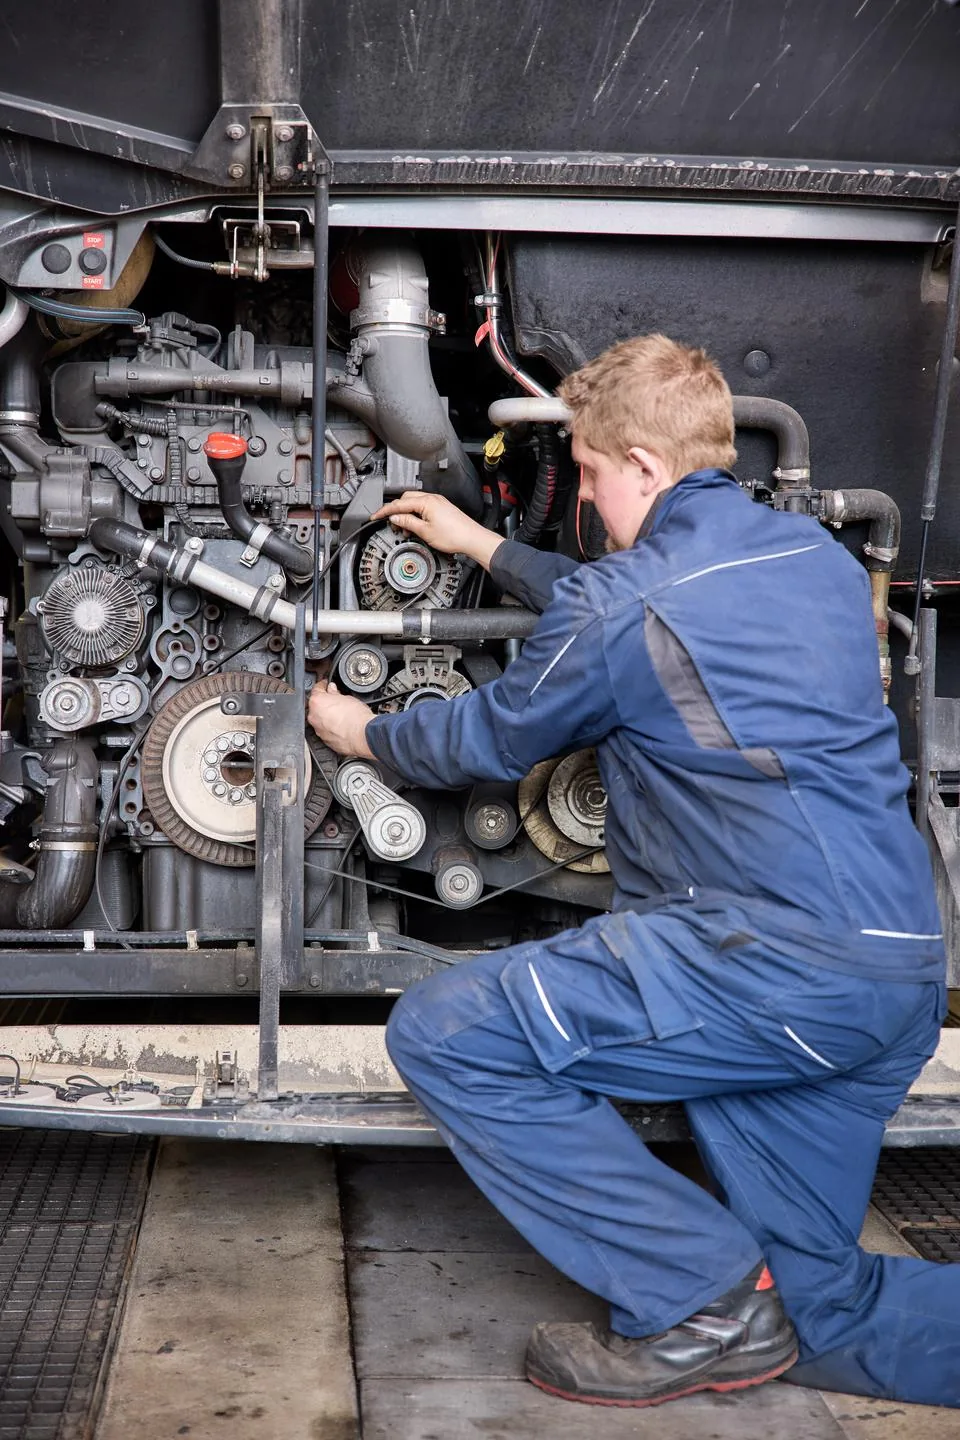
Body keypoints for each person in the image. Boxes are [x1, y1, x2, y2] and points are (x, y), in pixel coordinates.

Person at [308, 334, 958, 1410]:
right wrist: (487, 544)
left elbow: (489, 739)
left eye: (595, 476)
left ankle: (700, 1296)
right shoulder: (819, 567)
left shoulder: (629, 603)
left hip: (770, 971)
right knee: (817, 1318)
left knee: (448, 1035)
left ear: (645, 470)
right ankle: (747, 1309)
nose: (590, 499)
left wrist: (361, 733)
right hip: (890, 977)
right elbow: (651, 611)